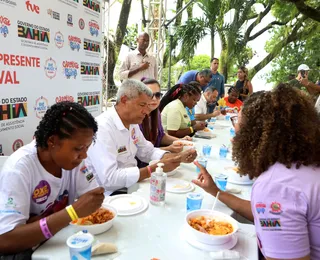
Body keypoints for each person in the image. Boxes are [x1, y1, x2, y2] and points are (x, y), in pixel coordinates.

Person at [193, 84, 320, 259]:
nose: (235, 128)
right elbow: (269, 214)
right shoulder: (303, 165)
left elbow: (276, 206)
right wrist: (216, 192)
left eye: (237, 121)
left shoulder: (276, 186)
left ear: (253, 133)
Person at [0, 102, 104, 258]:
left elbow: (92, 199)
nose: (84, 156)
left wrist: (91, 202)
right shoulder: (19, 169)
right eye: (78, 148)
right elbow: (5, 240)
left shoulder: (75, 161)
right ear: (52, 141)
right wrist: (71, 212)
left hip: (60, 243)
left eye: (87, 148)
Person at [87, 79, 197, 196]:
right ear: (124, 100)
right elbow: (109, 179)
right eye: (142, 105)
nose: (146, 111)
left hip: (132, 186)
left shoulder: (132, 123)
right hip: (109, 195)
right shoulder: (103, 128)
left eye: (147, 105)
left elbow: (147, 151)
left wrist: (177, 158)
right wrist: (152, 169)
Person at [139, 78, 192, 152]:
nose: (154, 98)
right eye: (149, 94)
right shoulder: (136, 118)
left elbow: (161, 136)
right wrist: (169, 149)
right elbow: (140, 152)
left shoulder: (156, 113)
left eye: (157, 95)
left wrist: (181, 141)